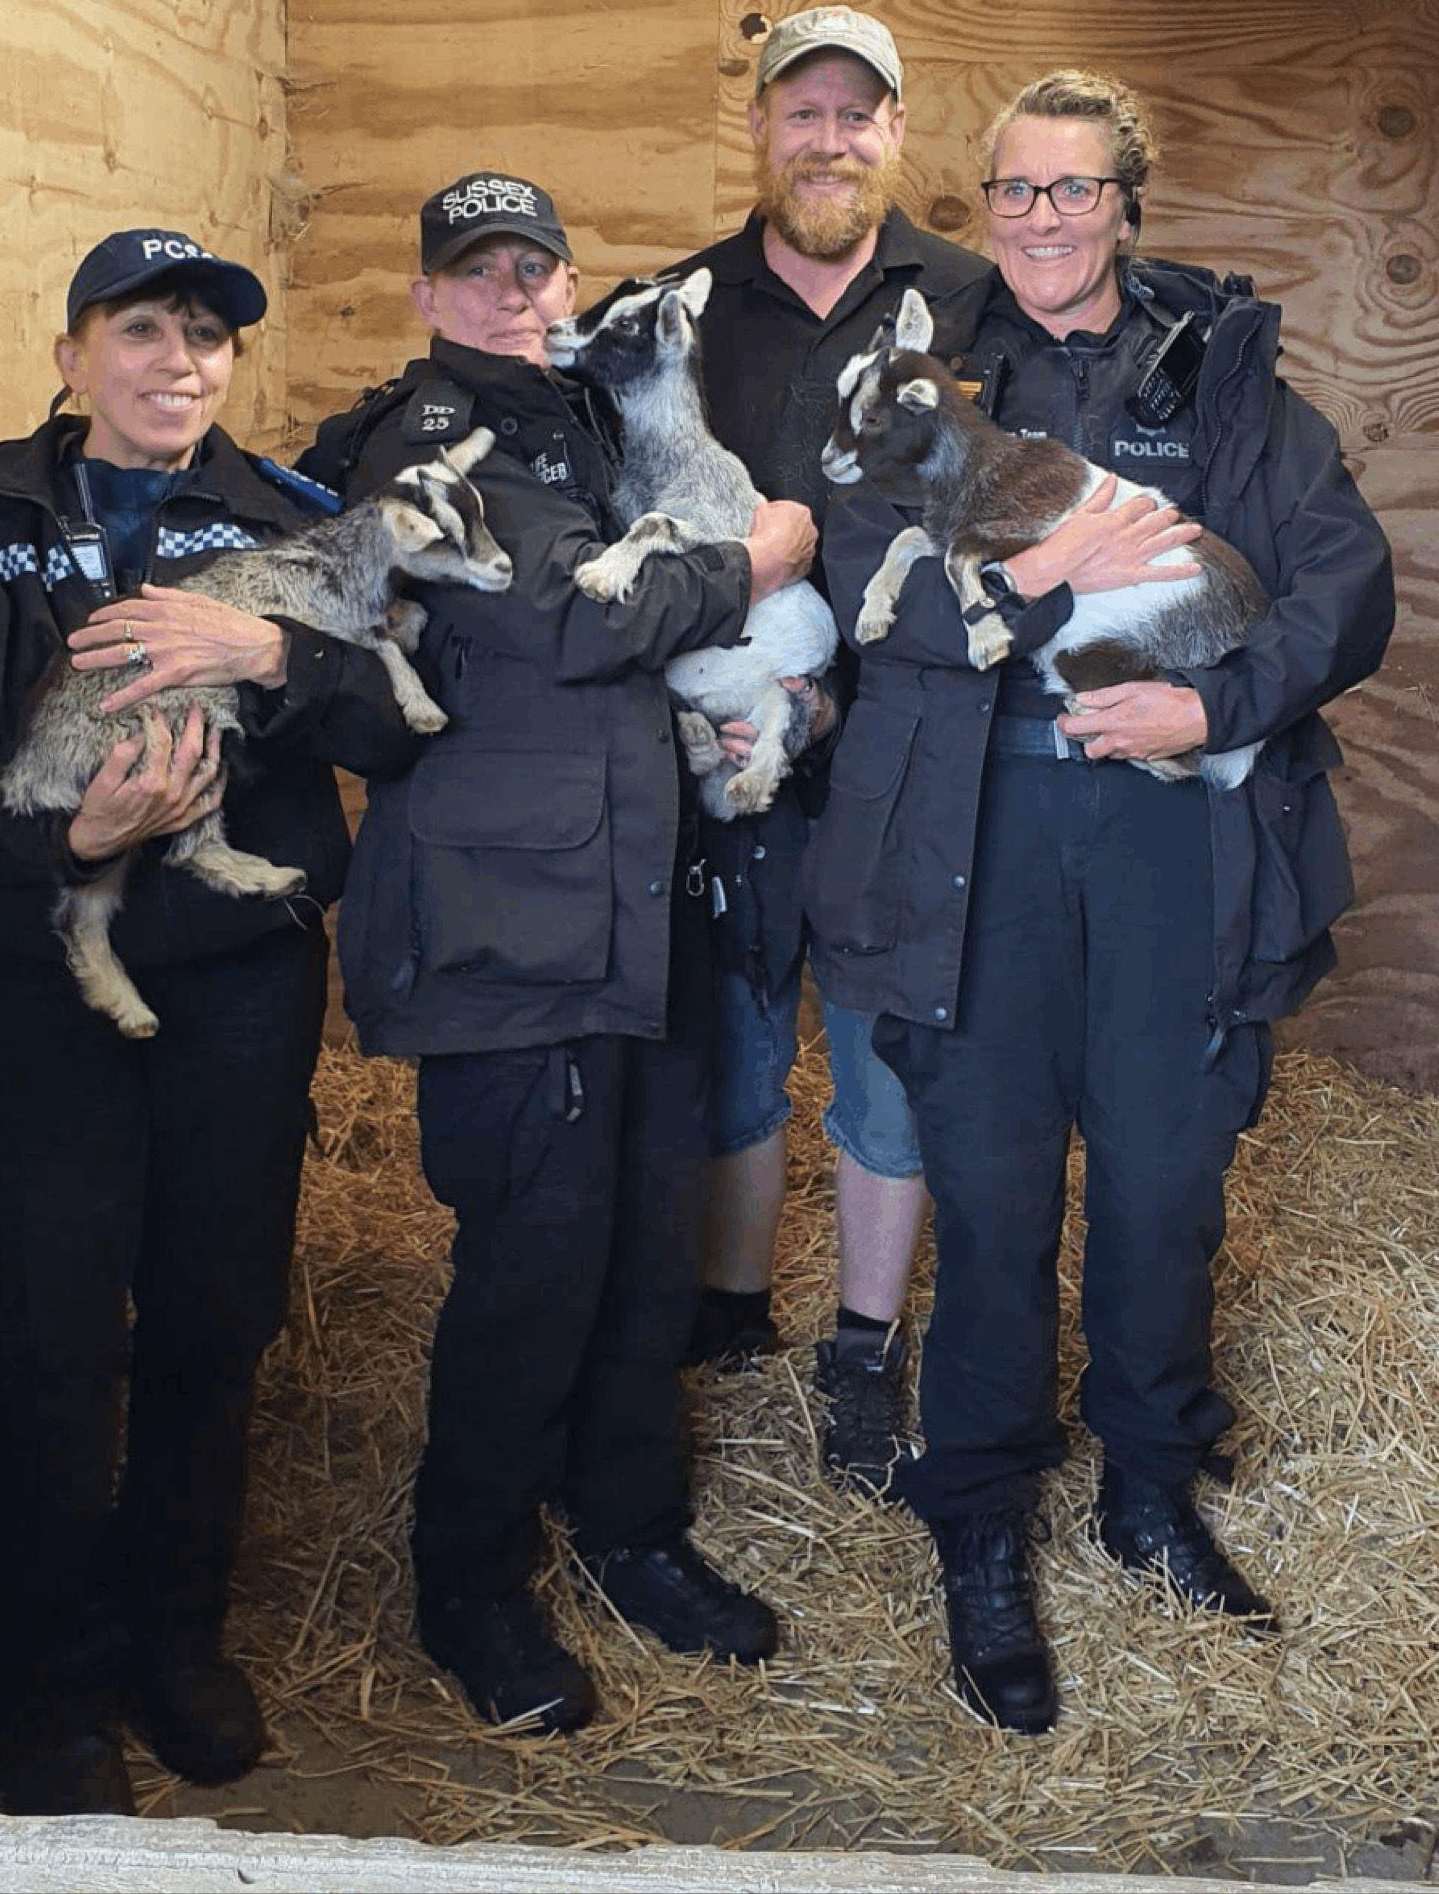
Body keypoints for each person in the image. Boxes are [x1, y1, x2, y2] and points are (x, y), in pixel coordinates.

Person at [805, 71, 1395, 1732]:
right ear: (984, 205)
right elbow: (860, 578)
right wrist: (1027, 578)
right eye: (1015, 190)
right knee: (991, 1187)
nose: (1043, 219)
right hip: (974, 835)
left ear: (1128, 203)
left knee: (1160, 1177)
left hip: (1162, 831)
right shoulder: (920, 364)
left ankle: (1149, 1481)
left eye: (1073, 191)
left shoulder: (1220, 376)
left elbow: (1342, 582)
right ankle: (981, 1511)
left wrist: (1215, 707)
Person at [0, 228, 426, 1815]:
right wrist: (72, 843)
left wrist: (276, 651)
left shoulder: (295, 524)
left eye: (211, 340)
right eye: (145, 332)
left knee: (208, 1325)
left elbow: (399, 717)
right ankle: (49, 1691)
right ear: (70, 355)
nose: (183, 364)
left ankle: (178, 1645)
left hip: (238, 997)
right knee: (37, 1347)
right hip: (39, 995)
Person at [632, 7, 1201, 1505]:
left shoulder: (970, 302)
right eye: (800, 113)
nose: (828, 140)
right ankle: (730, 1305)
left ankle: (867, 1347)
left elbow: (1010, 511)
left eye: (857, 115)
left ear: (898, 134)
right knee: (736, 1032)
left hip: (925, 739)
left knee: (891, 1059)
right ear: (761, 127)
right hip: (732, 730)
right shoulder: (678, 309)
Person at [306, 173, 821, 1734]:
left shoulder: (586, 424)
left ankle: (630, 1531)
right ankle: (469, 1585)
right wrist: (760, 563)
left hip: (632, 906)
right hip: (506, 925)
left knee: (641, 1251)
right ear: (428, 296)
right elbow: (559, 619)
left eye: (536, 268)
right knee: (531, 1269)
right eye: (478, 274)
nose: (515, 296)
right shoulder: (427, 444)